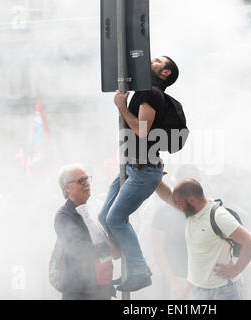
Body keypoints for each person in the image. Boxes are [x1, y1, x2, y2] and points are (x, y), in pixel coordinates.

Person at [98, 56, 180, 292]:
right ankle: (125, 253)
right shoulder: (145, 90)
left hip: (143, 170)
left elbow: (141, 131)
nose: (151, 59)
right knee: (105, 216)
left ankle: (139, 269)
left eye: (157, 60)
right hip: (130, 166)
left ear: (165, 73)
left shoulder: (152, 94)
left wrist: (121, 107)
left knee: (115, 219)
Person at [155, 178, 251, 300]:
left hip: (223, 290)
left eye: (178, 202)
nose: (175, 205)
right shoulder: (191, 211)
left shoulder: (218, 216)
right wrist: (153, 175)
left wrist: (236, 269)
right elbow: (167, 195)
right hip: (198, 290)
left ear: (191, 200)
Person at [54, 164, 120, 300]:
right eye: (80, 181)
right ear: (67, 187)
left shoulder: (94, 208)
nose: (86, 184)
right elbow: (79, 249)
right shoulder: (64, 215)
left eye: (86, 179)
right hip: (78, 293)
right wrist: (109, 248)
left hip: (102, 290)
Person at [150, 164, 201, 299]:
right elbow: (157, 250)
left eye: (196, 182)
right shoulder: (163, 211)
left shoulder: (205, 209)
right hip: (177, 280)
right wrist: (173, 282)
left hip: (203, 281)